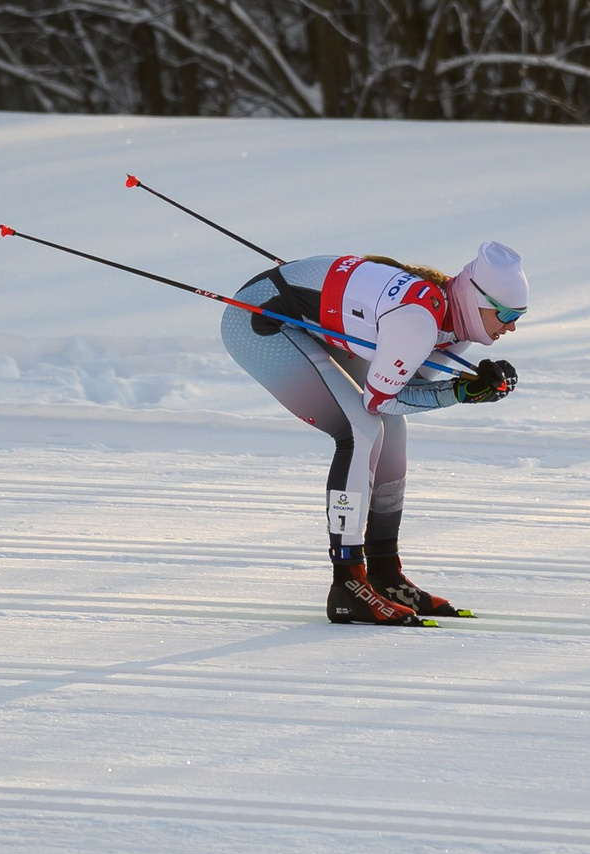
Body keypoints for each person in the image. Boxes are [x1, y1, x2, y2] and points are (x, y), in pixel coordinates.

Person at [222, 244, 527, 625]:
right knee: (359, 428)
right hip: (260, 320)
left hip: (299, 310)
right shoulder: (419, 318)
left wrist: (468, 385)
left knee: (392, 431)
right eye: (507, 314)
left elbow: (408, 388)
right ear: (476, 298)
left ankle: (384, 572)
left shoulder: (457, 318)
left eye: (519, 316)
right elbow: (381, 400)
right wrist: (458, 393)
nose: (512, 326)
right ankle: (347, 583)